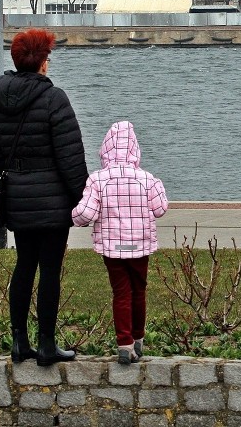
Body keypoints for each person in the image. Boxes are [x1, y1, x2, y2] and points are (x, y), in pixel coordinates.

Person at [0, 28, 88, 366]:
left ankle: (18, 343)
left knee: (24, 265)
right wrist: (85, 199)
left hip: (17, 198)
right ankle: (46, 345)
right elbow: (71, 159)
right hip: (54, 203)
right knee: (50, 270)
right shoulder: (54, 98)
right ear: (42, 62)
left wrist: (18, 172)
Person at [72, 121, 169, 365]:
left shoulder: (97, 180)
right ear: (135, 150)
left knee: (121, 293)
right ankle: (138, 338)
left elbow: (86, 213)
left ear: (105, 150)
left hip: (112, 248)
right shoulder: (147, 179)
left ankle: (124, 343)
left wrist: (72, 217)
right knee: (139, 291)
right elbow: (160, 209)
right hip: (140, 246)